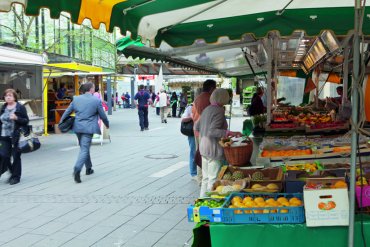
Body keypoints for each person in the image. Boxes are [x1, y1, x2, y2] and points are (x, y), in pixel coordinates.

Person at [195, 89, 242, 197]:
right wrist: (228, 133)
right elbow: (212, 131)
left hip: (203, 147)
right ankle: (209, 205)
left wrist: (205, 129)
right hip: (213, 149)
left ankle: (202, 203)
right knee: (213, 179)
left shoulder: (207, 109)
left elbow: (197, 127)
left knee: (205, 178)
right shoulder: (219, 111)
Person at [60, 82, 109, 183]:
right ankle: (77, 168)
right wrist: (107, 124)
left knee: (84, 147)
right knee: (85, 148)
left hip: (77, 127)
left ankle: (89, 168)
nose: (94, 89)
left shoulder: (76, 99)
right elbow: (102, 115)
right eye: (94, 88)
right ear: (91, 89)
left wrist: (61, 122)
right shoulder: (96, 100)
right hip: (89, 128)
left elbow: (67, 111)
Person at [0, 89, 29, 185]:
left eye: (10, 95)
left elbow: (26, 121)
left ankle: (16, 177)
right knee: (4, 155)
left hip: (16, 136)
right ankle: (11, 171)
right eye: (6, 96)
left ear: (14, 97)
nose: (8, 97)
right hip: (4, 136)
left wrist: (17, 118)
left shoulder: (20, 107)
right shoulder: (3, 107)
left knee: (16, 156)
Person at [192, 79, 217, 183]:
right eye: (215, 88)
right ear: (211, 88)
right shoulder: (209, 98)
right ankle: (205, 179)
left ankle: (201, 178)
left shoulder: (197, 98)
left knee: (200, 154)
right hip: (205, 131)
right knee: (207, 156)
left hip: (198, 131)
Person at [181, 103, 196, 179]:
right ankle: (193, 173)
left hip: (202, 132)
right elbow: (183, 119)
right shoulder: (190, 107)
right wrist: (191, 117)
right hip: (192, 133)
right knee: (193, 152)